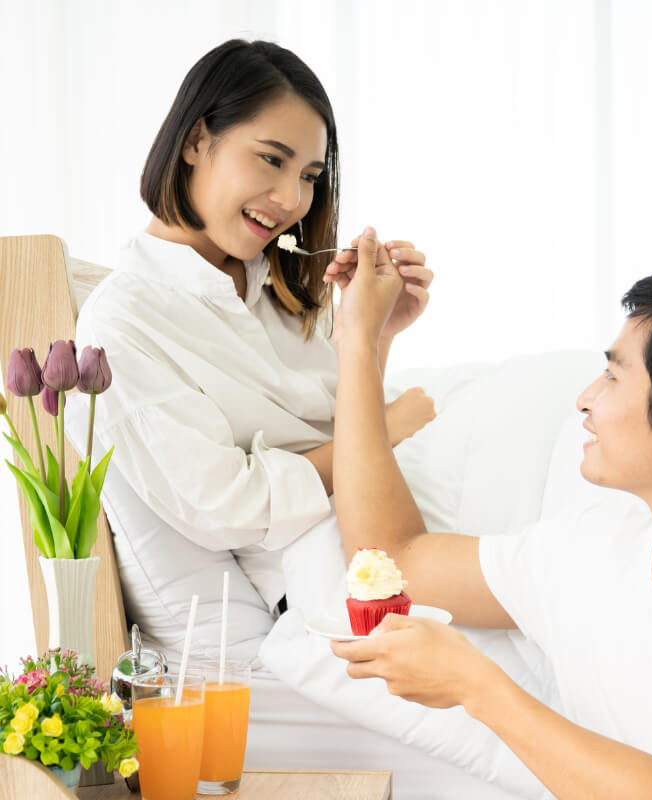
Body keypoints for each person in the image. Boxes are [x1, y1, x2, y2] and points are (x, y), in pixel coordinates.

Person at [330, 233, 652, 798]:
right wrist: (362, 342)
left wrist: (477, 686)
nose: (584, 398)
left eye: (613, 375)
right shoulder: (591, 549)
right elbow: (391, 559)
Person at [73, 40, 435, 613]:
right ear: (195, 141)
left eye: (310, 175)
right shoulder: (123, 324)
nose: (293, 200)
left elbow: (345, 420)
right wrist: (385, 431)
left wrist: (374, 335)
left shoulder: (285, 287)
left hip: (396, 506)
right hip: (334, 565)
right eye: (271, 159)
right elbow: (226, 507)